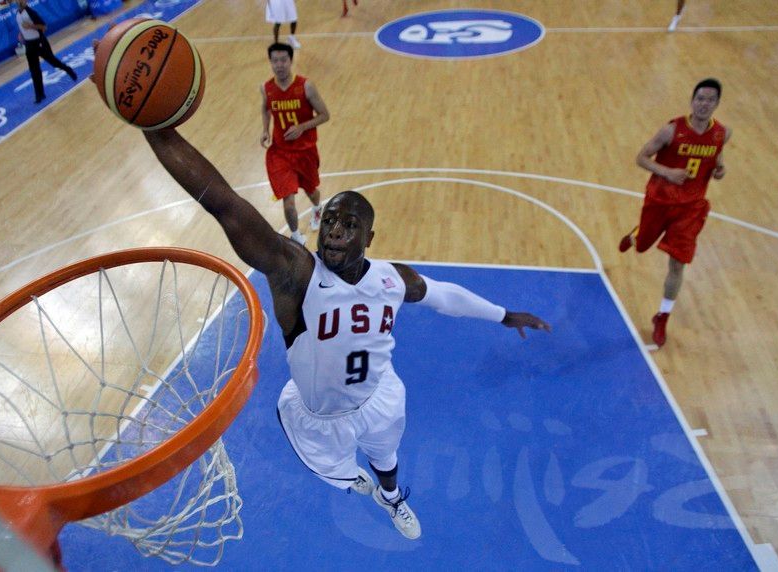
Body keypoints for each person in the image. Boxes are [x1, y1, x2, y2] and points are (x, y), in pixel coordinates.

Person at [141, 128, 551, 540]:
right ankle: (350, 477)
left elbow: (444, 295)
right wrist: (158, 130)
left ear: (369, 238)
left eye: (350, 224)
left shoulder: (392, 279)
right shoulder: (296, 273)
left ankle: (391, 499)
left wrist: (505, 315)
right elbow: (225, 204)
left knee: (387, 459)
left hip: (380, 397)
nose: (335, 229)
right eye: (330, 220)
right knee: (338, 473)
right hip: (318, 418)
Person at [619, 78, 731, 347]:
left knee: (678, 262)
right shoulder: (671, 130)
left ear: (717, 103)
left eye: (710, 100)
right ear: (692, 101)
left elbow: (717, 159)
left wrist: (720, 170)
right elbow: (641, 158)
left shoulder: (722, 133)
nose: (704, 104)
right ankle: (636, 235)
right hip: (660, 200)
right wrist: (667, 172)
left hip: (691, 207)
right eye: (700, 99)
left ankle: (662, 316)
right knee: (644, 245)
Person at [260, 42, 329, 246]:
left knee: (311, 191)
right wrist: (265, 129)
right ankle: (296, 236)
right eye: (275, 61)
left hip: (305, 151)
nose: (279, 65)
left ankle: (317, 209)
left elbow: (325, 115)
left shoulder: (305, 86)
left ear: (290, 61)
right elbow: (265, 109)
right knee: (288, 200)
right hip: (280, 153)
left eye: (283, 60)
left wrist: (302, 127)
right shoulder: (266, 88)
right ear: (271, 63)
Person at [14, 0, 77, 104]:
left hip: (39, 42)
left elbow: (43, 27)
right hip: (29, 45)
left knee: (53, 62)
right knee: (34, 70)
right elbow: (22, 27)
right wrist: (21, 34)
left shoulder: (31, 12)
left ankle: (68, 69)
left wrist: (30, 26)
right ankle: (39, 94)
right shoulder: (17, 14)